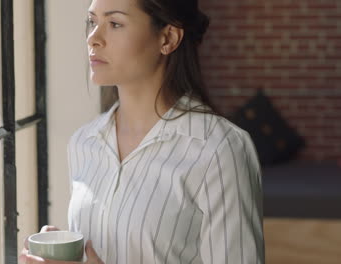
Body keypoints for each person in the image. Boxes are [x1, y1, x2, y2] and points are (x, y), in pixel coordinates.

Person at [20, 0, 265, 263]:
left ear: (168, 38)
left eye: (114, 24)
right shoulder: (83, 143)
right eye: (92, 22)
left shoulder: (219, 148)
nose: (93, 38)